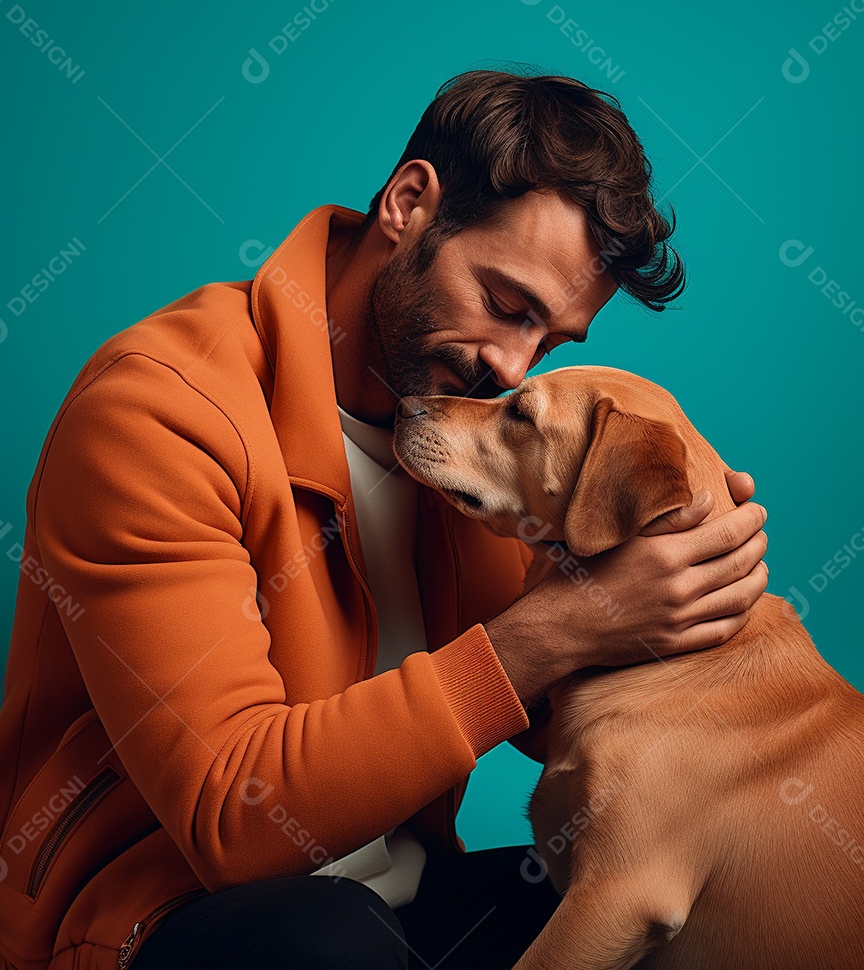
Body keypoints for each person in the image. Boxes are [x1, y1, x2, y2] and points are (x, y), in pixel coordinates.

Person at [0, 69, 768, 970]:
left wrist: (676, 590)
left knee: (663, 909)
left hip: (402, 907)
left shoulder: (468, 442)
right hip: (156, 922)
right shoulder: (158, 413)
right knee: (328, 942)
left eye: (550, 343)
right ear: (408, 203)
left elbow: (566, 724)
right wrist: (559, 628)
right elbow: (231, 818)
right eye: (506, 306)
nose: (512, 366)